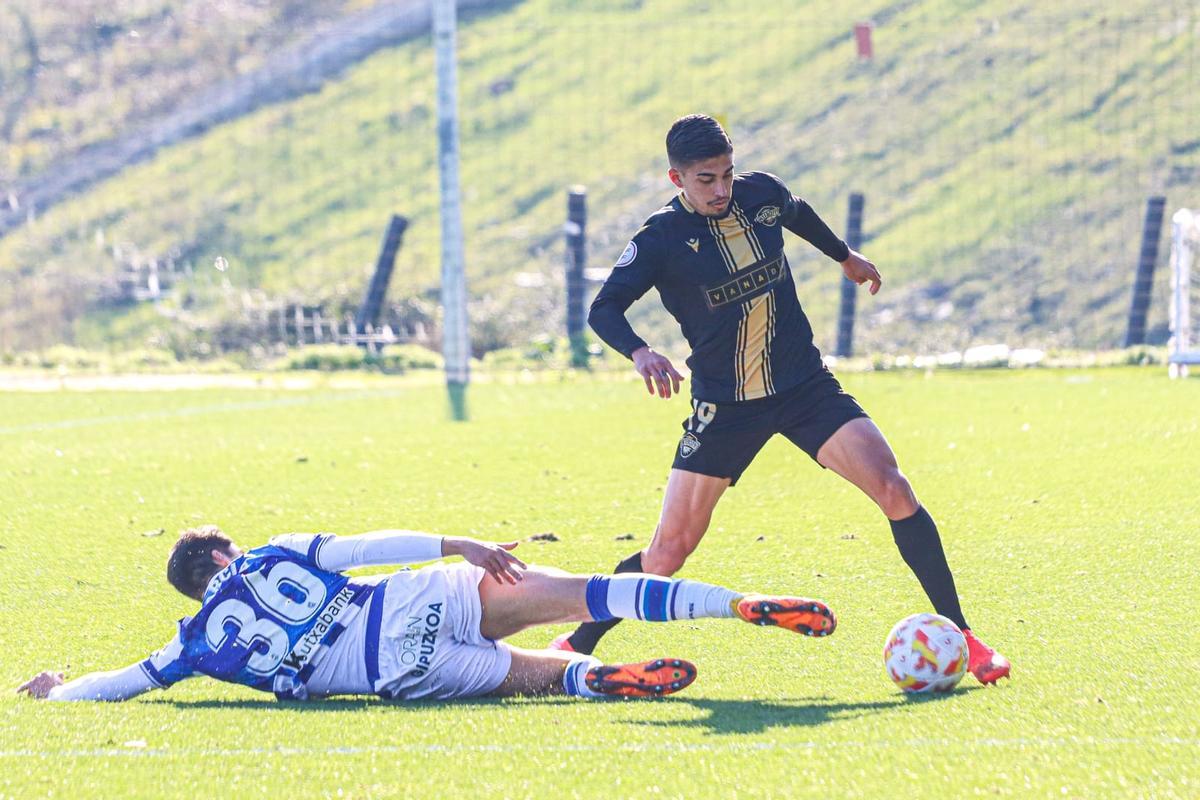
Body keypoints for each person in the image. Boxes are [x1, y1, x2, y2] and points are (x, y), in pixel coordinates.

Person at [552, 114, 1009, 685]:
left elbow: (795, 212)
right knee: (667, 556)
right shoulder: (659, 240)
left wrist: (844, 256)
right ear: (676, 180)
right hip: (726, 407)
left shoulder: (760, 195)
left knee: (895, 489)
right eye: (705, 180)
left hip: (804, 389)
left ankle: (963, 633)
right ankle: (574, 640)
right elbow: (603, 309)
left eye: (726, 174)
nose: (720, 190)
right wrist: (641, 352)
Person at [17, 525, 836, 703]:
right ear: (225, 558)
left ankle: (592, 678)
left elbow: (122, 683)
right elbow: (369, 545)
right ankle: (733, 605)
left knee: (538, 680)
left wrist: (55, 691)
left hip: (395, 669)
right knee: (591, 591)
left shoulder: (196, 642)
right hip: (419, 595)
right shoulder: (273, 552)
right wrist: (462, 543)